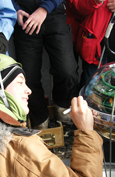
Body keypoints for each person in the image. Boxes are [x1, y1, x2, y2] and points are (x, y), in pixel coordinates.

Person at [11, 0, 80, 129]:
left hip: (54, 14)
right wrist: (14, 9)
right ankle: (40, 118)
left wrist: (44, 9)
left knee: (67, 70)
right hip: (24, 18)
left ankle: (62, 106)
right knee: (28, 77)